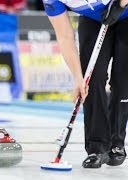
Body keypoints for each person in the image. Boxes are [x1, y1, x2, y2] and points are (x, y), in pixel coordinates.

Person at [42, 0, 128, 168]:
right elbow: (65, 37)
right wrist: (78, 78)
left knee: (123, 80)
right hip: (93, 20)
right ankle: (96, 147)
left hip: (125, 13)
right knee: (91, 79)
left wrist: (120, 5)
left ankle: (116, 143)